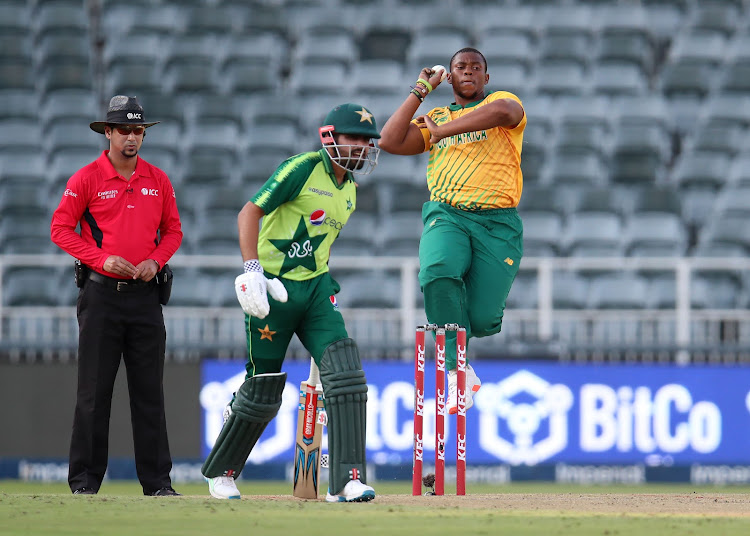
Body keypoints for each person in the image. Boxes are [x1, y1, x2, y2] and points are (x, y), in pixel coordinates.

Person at [201, 103, 380, 503]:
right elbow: (250, 212)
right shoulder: (301, 168)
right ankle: (223, 473)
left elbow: (320, 246)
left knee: (347, 375)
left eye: (368, 142)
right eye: (355, 138)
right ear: (329, 137)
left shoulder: (349, 190)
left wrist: (326, 281)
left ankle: (347, 480)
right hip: (272, 290)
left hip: (315, 292)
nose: (363, 148)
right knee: (263, 386)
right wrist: (251, 270)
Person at [378, 48, 526, 414]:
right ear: (450, 77)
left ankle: (464, 369)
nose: (469, 72)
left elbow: (504, 114)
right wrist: (419, 91)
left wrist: (442, 131)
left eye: (477, 67)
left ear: (486, 78)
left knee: (481, 319)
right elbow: (389, 141)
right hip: (448, 214)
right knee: (437, 272)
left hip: (498, 223)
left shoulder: (503, 102)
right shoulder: (436, 115)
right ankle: (456, 371)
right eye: (461, 67)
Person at [50, 96, 183, 496]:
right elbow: (60, 228)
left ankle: (158, 484)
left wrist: (156, 262)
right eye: (123, 129)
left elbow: (173, 232)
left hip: (145, 297)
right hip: (101, 296)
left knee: (149, 395)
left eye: (138, 130)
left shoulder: (158, 179)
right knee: (93, 393)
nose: (131, 137)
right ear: (107, 132)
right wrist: (101, 260)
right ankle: (85, 484)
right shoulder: (86, 178)